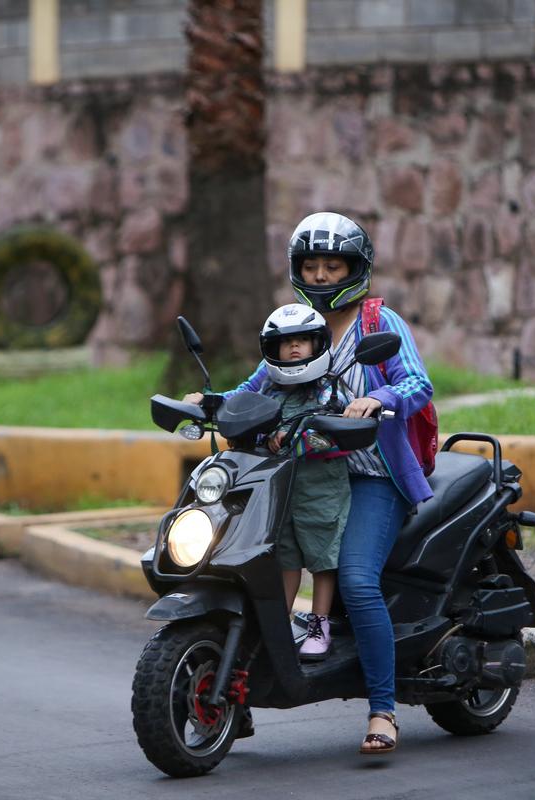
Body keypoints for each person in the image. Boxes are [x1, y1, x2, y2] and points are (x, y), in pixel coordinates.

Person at [186, 211, 434, 755]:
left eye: (333, 266)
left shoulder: (380, 323)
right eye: (312, 266)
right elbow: (258, 386)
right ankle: (237, 696)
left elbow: (418, 383)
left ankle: (383, 710)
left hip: (371, 474)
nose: (321, 275)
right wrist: (210, 403)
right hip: (303, 472)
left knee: (357, 582)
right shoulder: (298, 323)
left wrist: (378, 399)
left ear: (355, 269)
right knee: (249, 564)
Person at [257, 303, 349, 660]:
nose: (294, 347)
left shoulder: (329, 389)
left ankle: (319, 623)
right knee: (286, 558)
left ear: (317, 344)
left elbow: (338, 428)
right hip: (282, 488)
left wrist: (297, 438)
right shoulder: (270, 389)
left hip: (321, 488)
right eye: (285, 341)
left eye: (302, 340)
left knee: (323, 557)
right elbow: (254, 416)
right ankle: (279, 625)